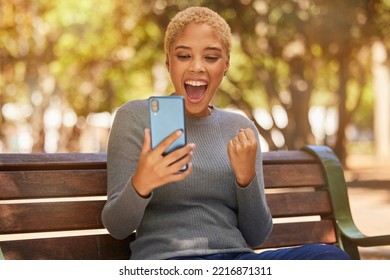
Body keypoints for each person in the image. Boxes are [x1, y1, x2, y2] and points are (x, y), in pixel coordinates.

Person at [101, 6, 349, 260]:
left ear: (226, 64)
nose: (197, 67)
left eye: (210, 57)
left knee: (330, 258)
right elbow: (117, 226)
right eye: (184, 56)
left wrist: (246, 180)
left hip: (239, 261)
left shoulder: (240, 129)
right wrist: (141, 184)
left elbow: (257, 236)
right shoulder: (134, 117)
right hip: (169, 262)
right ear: (168, 61)